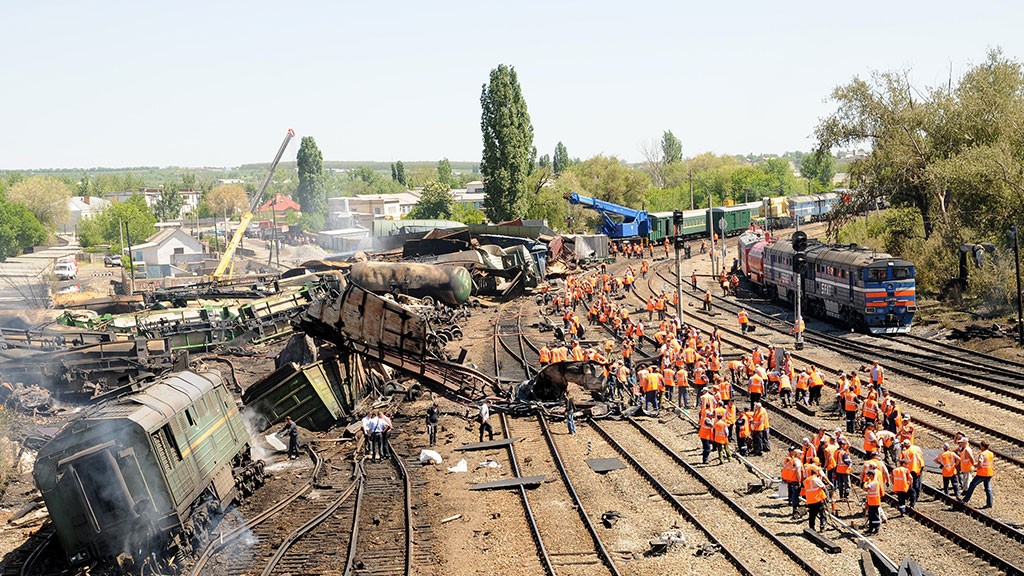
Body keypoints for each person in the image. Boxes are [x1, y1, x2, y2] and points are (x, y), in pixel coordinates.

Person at [962, 441, 994, 509]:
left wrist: (974, 465)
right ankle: (990, 503)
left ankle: (965, 500)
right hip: (989, 473)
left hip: (982, 473)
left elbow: (980, 465)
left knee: (972, 485)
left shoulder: (982, 454)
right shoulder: (991, 453)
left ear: (982, 446)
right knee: (988, 488)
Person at [803, 467, 828, 531]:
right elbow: (823, 487)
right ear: (816, 473)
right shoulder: (816, 479)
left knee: (812, 514)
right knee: (822, 513)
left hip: (810, 500)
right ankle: (822, 525)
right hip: (817, 499)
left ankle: (812, 528)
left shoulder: (806, 480)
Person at [781, 447, 804, 517]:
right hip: (796, 480)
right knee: (795, 495)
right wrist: (800, 481)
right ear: (797, 454)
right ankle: (795, 509)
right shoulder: (797, 461)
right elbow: (798, 471)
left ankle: (795, 507)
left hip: (793, 479)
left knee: (794, 494)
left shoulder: (792, 460)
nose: (801, 455)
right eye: (800, 454)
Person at [864, 463, 882, 534]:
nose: (868, 476)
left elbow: (865, 488)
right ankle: (871, 527)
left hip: (874, 502)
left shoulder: (873, 483)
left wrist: (865, 481)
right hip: (872, 501)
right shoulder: (874, 482)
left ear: (872, 475)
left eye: (869, 475)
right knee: (871, 515)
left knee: (874, 515)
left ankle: (876, 528)